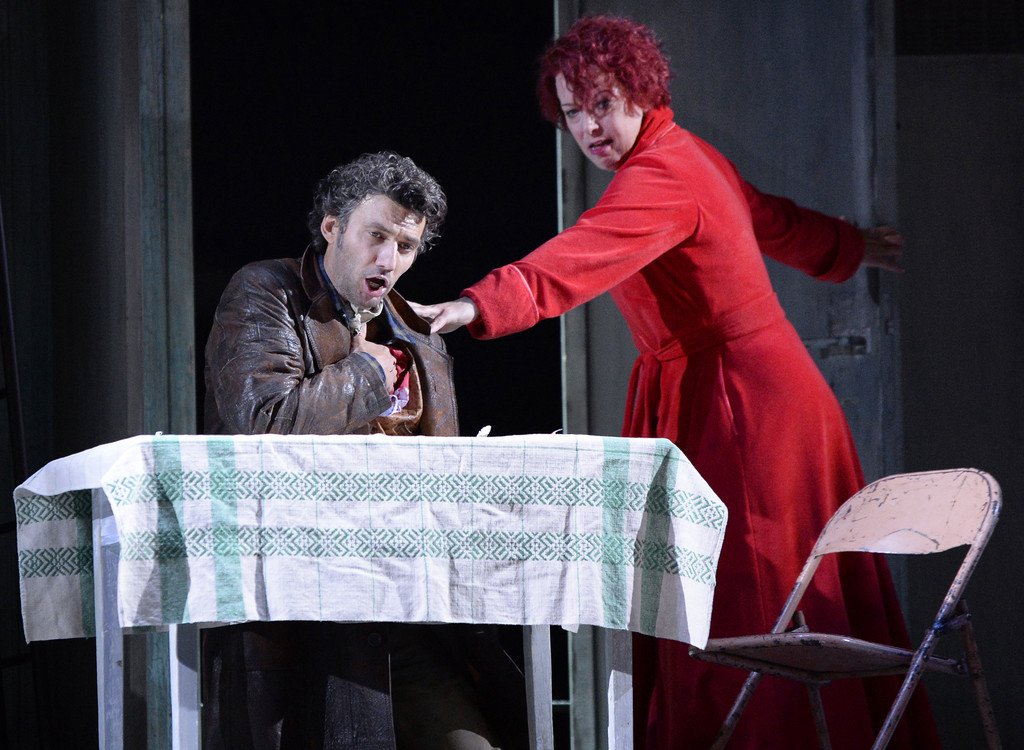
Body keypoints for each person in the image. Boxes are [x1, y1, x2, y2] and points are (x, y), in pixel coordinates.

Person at [409, 16, 938, 750]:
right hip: (736, 393)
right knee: (753, 591)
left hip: (742, 405)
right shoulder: (686, 154)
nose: (589, 128)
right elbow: (769, 218)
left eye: (603, 103)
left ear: (641, 89)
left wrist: (476, 304)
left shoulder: (663, 175)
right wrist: (850, 246)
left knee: (750, 593)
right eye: (573, 112)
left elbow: (577, 256)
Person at [202, 151, 527, 750]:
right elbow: (263, 424)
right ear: (332, 227)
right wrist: (367, 376)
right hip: (305, 614)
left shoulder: (416, 333)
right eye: (375, 236)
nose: (388, 260)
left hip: (404, 614)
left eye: (405, 246)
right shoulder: (267, 292)